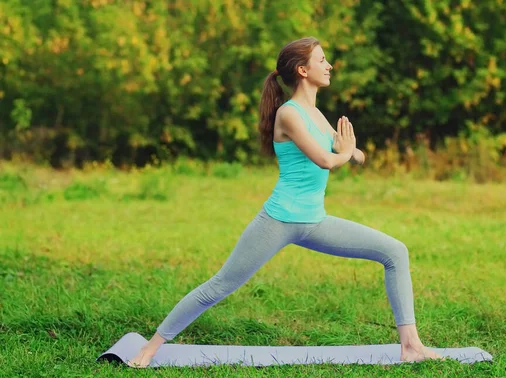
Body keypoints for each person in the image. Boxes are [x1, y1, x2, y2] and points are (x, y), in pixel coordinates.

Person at [127, 37, 442, 367]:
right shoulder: (289, 114)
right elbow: (325, 160)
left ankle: (411, 346)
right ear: (303, 70)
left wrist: (352, 149)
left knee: (395, 251)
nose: (329, 65)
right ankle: (150, 348)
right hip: (278, 221)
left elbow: (348, 153)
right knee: (221, 285)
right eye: (322, 60)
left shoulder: (317, 114)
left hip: (315, 222)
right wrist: (345, 152)